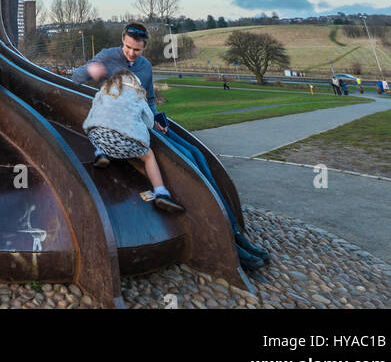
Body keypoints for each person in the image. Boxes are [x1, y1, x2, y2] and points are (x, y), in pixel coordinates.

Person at [74, 24, 268, 273]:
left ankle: (236, 234)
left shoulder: (144, 67)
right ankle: (229, 239)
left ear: (144, 47)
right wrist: (90, 70)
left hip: (143, 122)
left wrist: (155, 119)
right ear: (122, 41)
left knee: (197, 154)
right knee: (185, 158)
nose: (132, 54)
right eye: (128, 48)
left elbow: (150, 100)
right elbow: (76, 78)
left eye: (137, 50)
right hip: (125, 128)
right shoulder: (106, 56)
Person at [82, 70, 183, 212]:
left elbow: (95, 108)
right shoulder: (137, 95)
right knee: (149, 156)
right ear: (135, 83)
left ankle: (101, 154)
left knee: (102, 127)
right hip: (125, 141)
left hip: (96, 136)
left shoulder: (105, 91)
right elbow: (149, 121)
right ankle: (161, 192)